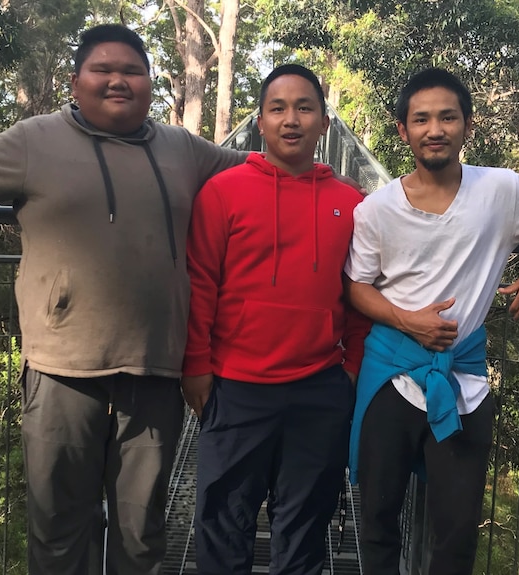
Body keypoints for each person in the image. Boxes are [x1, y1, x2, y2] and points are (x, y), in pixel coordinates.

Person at [0, 23, 251, 575]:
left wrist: (361, 200)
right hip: (62, 369)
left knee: (141, 533)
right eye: (103, 70)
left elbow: (264, 178)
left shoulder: (182, 149)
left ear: (149, 81)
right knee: (59, 530)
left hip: (155, 369)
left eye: (132, 71)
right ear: (76, 81)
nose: (118, 80)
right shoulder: (33, 141)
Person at [344, 68, 519, 575]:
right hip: (390, 372)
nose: (435, 129)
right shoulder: (376, 210)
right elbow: (356, 286)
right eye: (422, 119)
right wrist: (407, 320)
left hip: (464, 379)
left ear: (467, 125)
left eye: (447, 117)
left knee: (457, 530)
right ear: (402, 131)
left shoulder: (500, 190)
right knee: (377, 519)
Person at [180, 64, 370, 575]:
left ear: (324, 123)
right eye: (278, 108)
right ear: (260, 121)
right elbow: (200, 284)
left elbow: (360, 294)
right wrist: (195, 364)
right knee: (223, 525)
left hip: (318, 389)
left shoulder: (351, 204)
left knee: (305, 529)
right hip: (235, 387)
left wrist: (349, 365)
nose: (292, 120)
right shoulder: (222, 193)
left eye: (305, 108)